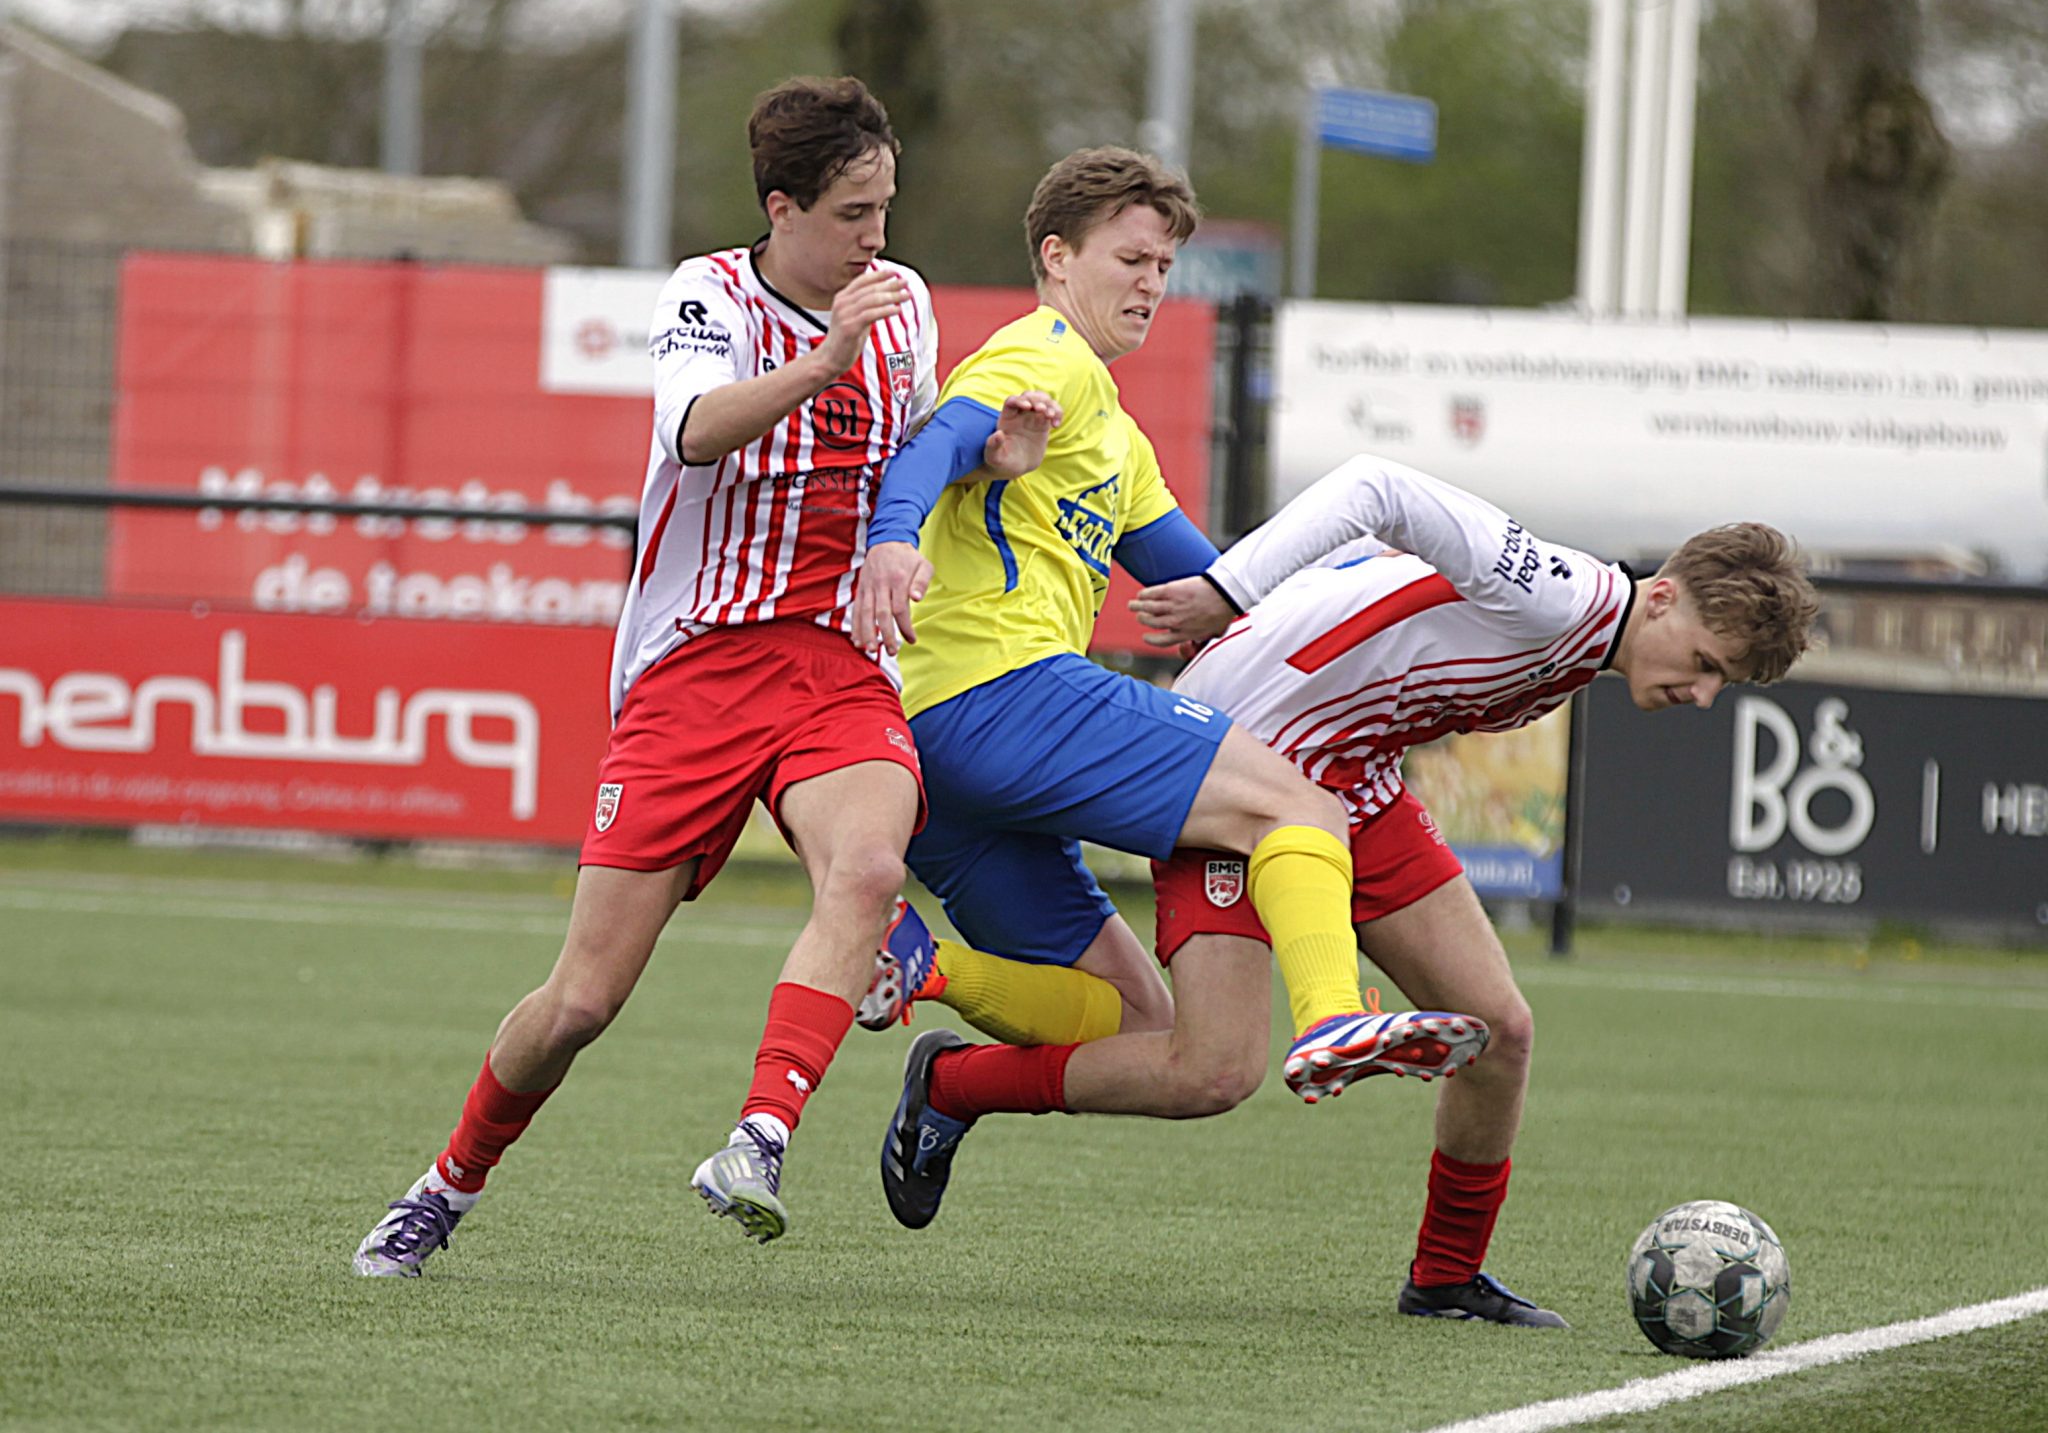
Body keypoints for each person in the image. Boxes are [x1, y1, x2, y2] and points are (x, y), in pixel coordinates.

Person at [352, 75, 1050, 1269]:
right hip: (697, 670)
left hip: (834, 664)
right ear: (780, 209)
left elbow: (906, 460)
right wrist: (827, 358)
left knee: (872, 863)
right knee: (580, 1001)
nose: (875, 236)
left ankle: (760, 1136)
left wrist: (990, 456)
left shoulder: (905, 302)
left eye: (884, 207)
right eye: (848, 213)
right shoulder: (707, 293)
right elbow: (691, 429)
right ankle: (447, 1182)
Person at [877, 453, 1819, 1327]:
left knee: (1502, 1030)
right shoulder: (1559, 591)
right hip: (1239, 773)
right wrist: (1227, 588)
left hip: (1349, 780)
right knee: (1212, 1070)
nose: (1701, 693)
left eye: (1722, 683)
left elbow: (1376, 589)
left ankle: (1446, 1276)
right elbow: (1380, 489)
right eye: (1704, 662)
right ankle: (956, 1083)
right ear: (1662, 598)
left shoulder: (1587, 637)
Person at [849, 147, 1469, 1227]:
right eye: (1130, 258)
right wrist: (893, 541)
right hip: (997, 693)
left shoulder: (1114, 436)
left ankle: (927, 972)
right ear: (1055, 256)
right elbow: (936, 442)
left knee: (1136, 1027)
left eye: (1165, 266)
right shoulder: (1040, 354)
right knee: (1298, 804)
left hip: (944, 760)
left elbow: (1222, 586)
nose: (1151, 282)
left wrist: (1388, 621)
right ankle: (1334, 1015)